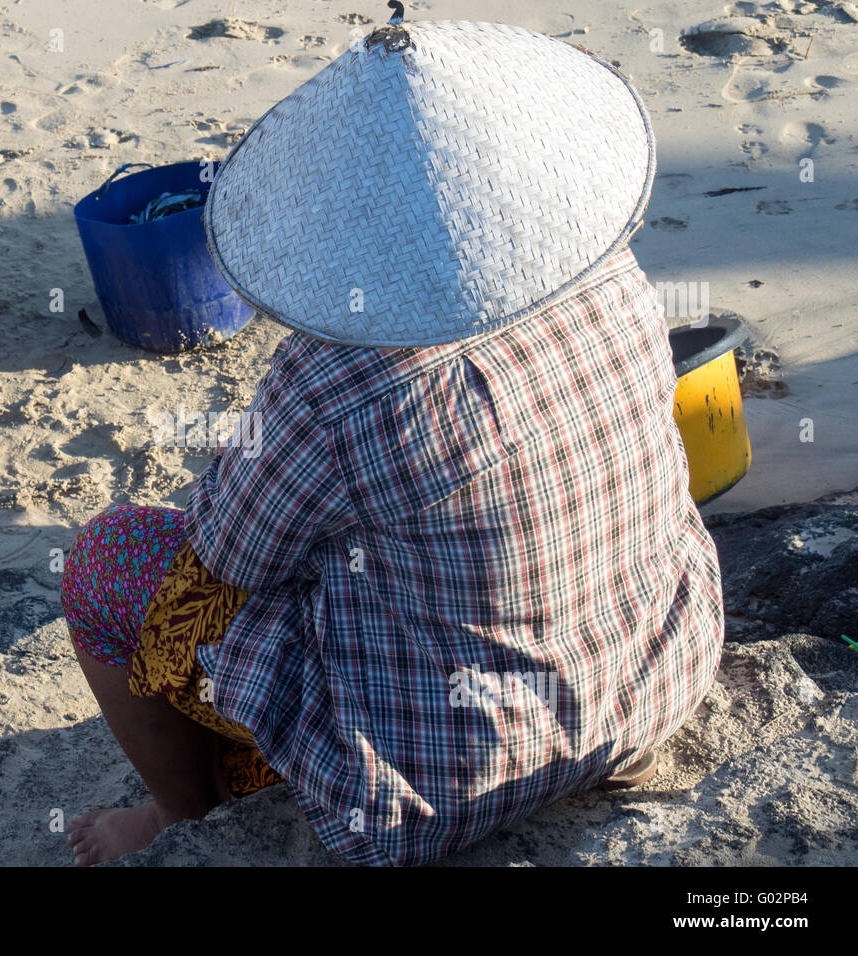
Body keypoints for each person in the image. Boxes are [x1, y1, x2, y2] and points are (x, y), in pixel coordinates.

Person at [61, 18, 724, 866]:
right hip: (659, 677)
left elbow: (228, 558)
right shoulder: (608, 272)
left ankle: (181, 820)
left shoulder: (334, 378)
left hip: (437, 787)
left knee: (109, 559)